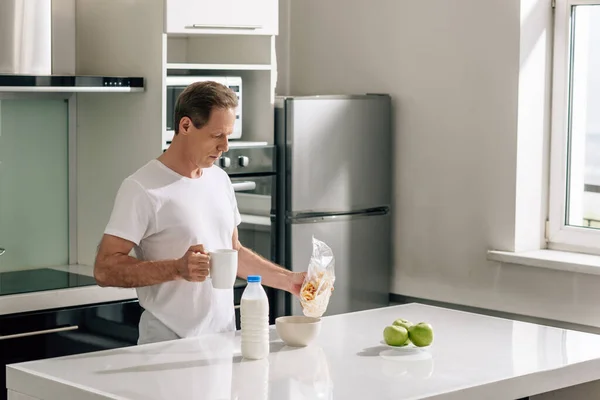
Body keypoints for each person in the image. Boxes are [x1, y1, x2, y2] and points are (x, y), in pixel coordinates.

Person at [94, 81, 306, 344]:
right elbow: (104, 268)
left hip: (222, 342)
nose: (225, 146)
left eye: (229, 135)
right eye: (217, 135)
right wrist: (176, 269)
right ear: (185, 126)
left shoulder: (219, 179)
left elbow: (232, 251)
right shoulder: (142, 188)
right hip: (167, 347)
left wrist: (290, 281)